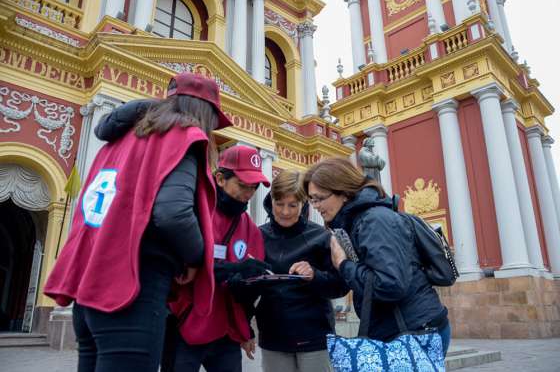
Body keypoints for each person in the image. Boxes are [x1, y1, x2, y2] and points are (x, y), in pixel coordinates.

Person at [44, 72, 233, 372]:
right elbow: (173, 213)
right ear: (204, 113)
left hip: (89, 289)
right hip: (132, 289)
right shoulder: (183, 135)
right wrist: (196, 257)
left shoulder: (117, 141)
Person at [303, 157, 451, 356]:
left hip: (414, 331)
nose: (315, 206)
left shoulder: (374, 221)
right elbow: (351, 281)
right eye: (312, 199)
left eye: (319, 198)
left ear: (344, 193)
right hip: (398, 330)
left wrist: (343, 264)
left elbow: (390, 284)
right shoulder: (352, 223)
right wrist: (316, 275)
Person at [164, 145, 272, 372]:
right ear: (220, 178)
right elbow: (179, 267)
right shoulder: (191, 212)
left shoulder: (250, 229)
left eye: (253, 188)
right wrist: (235, 269)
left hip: (226, 332)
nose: (248, 194)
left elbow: (248, 291)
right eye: (242, 185)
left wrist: (251, 283)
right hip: (183, 324)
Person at [250, 169, 348, 372]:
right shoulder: (258, 235)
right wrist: (244, 328)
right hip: (273, 336)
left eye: (292, 205)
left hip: (314, 337)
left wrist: (314, 275)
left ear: (304, 204)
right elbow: (248, 289)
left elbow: (339, 287)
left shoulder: (321, 236)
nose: (285, 212)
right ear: (271, 201)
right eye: (279, 204)